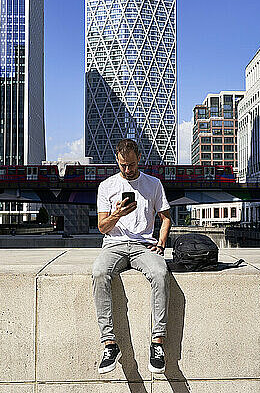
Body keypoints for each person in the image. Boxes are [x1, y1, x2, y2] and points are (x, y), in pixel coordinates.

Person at [92, 139, 172, 374]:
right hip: (114, 245)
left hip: (143, 246)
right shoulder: (106, 186)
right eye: (123, 165)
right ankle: (109, 344)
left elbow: (166, 218)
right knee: (99, 272)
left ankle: (157, 343)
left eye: (132, 165)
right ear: (117, 160)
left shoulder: (153, 184)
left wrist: (161, 242)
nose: (127, 170)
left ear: (139, 159)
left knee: (160, 272)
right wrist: (116, 214)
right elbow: (102, 227)